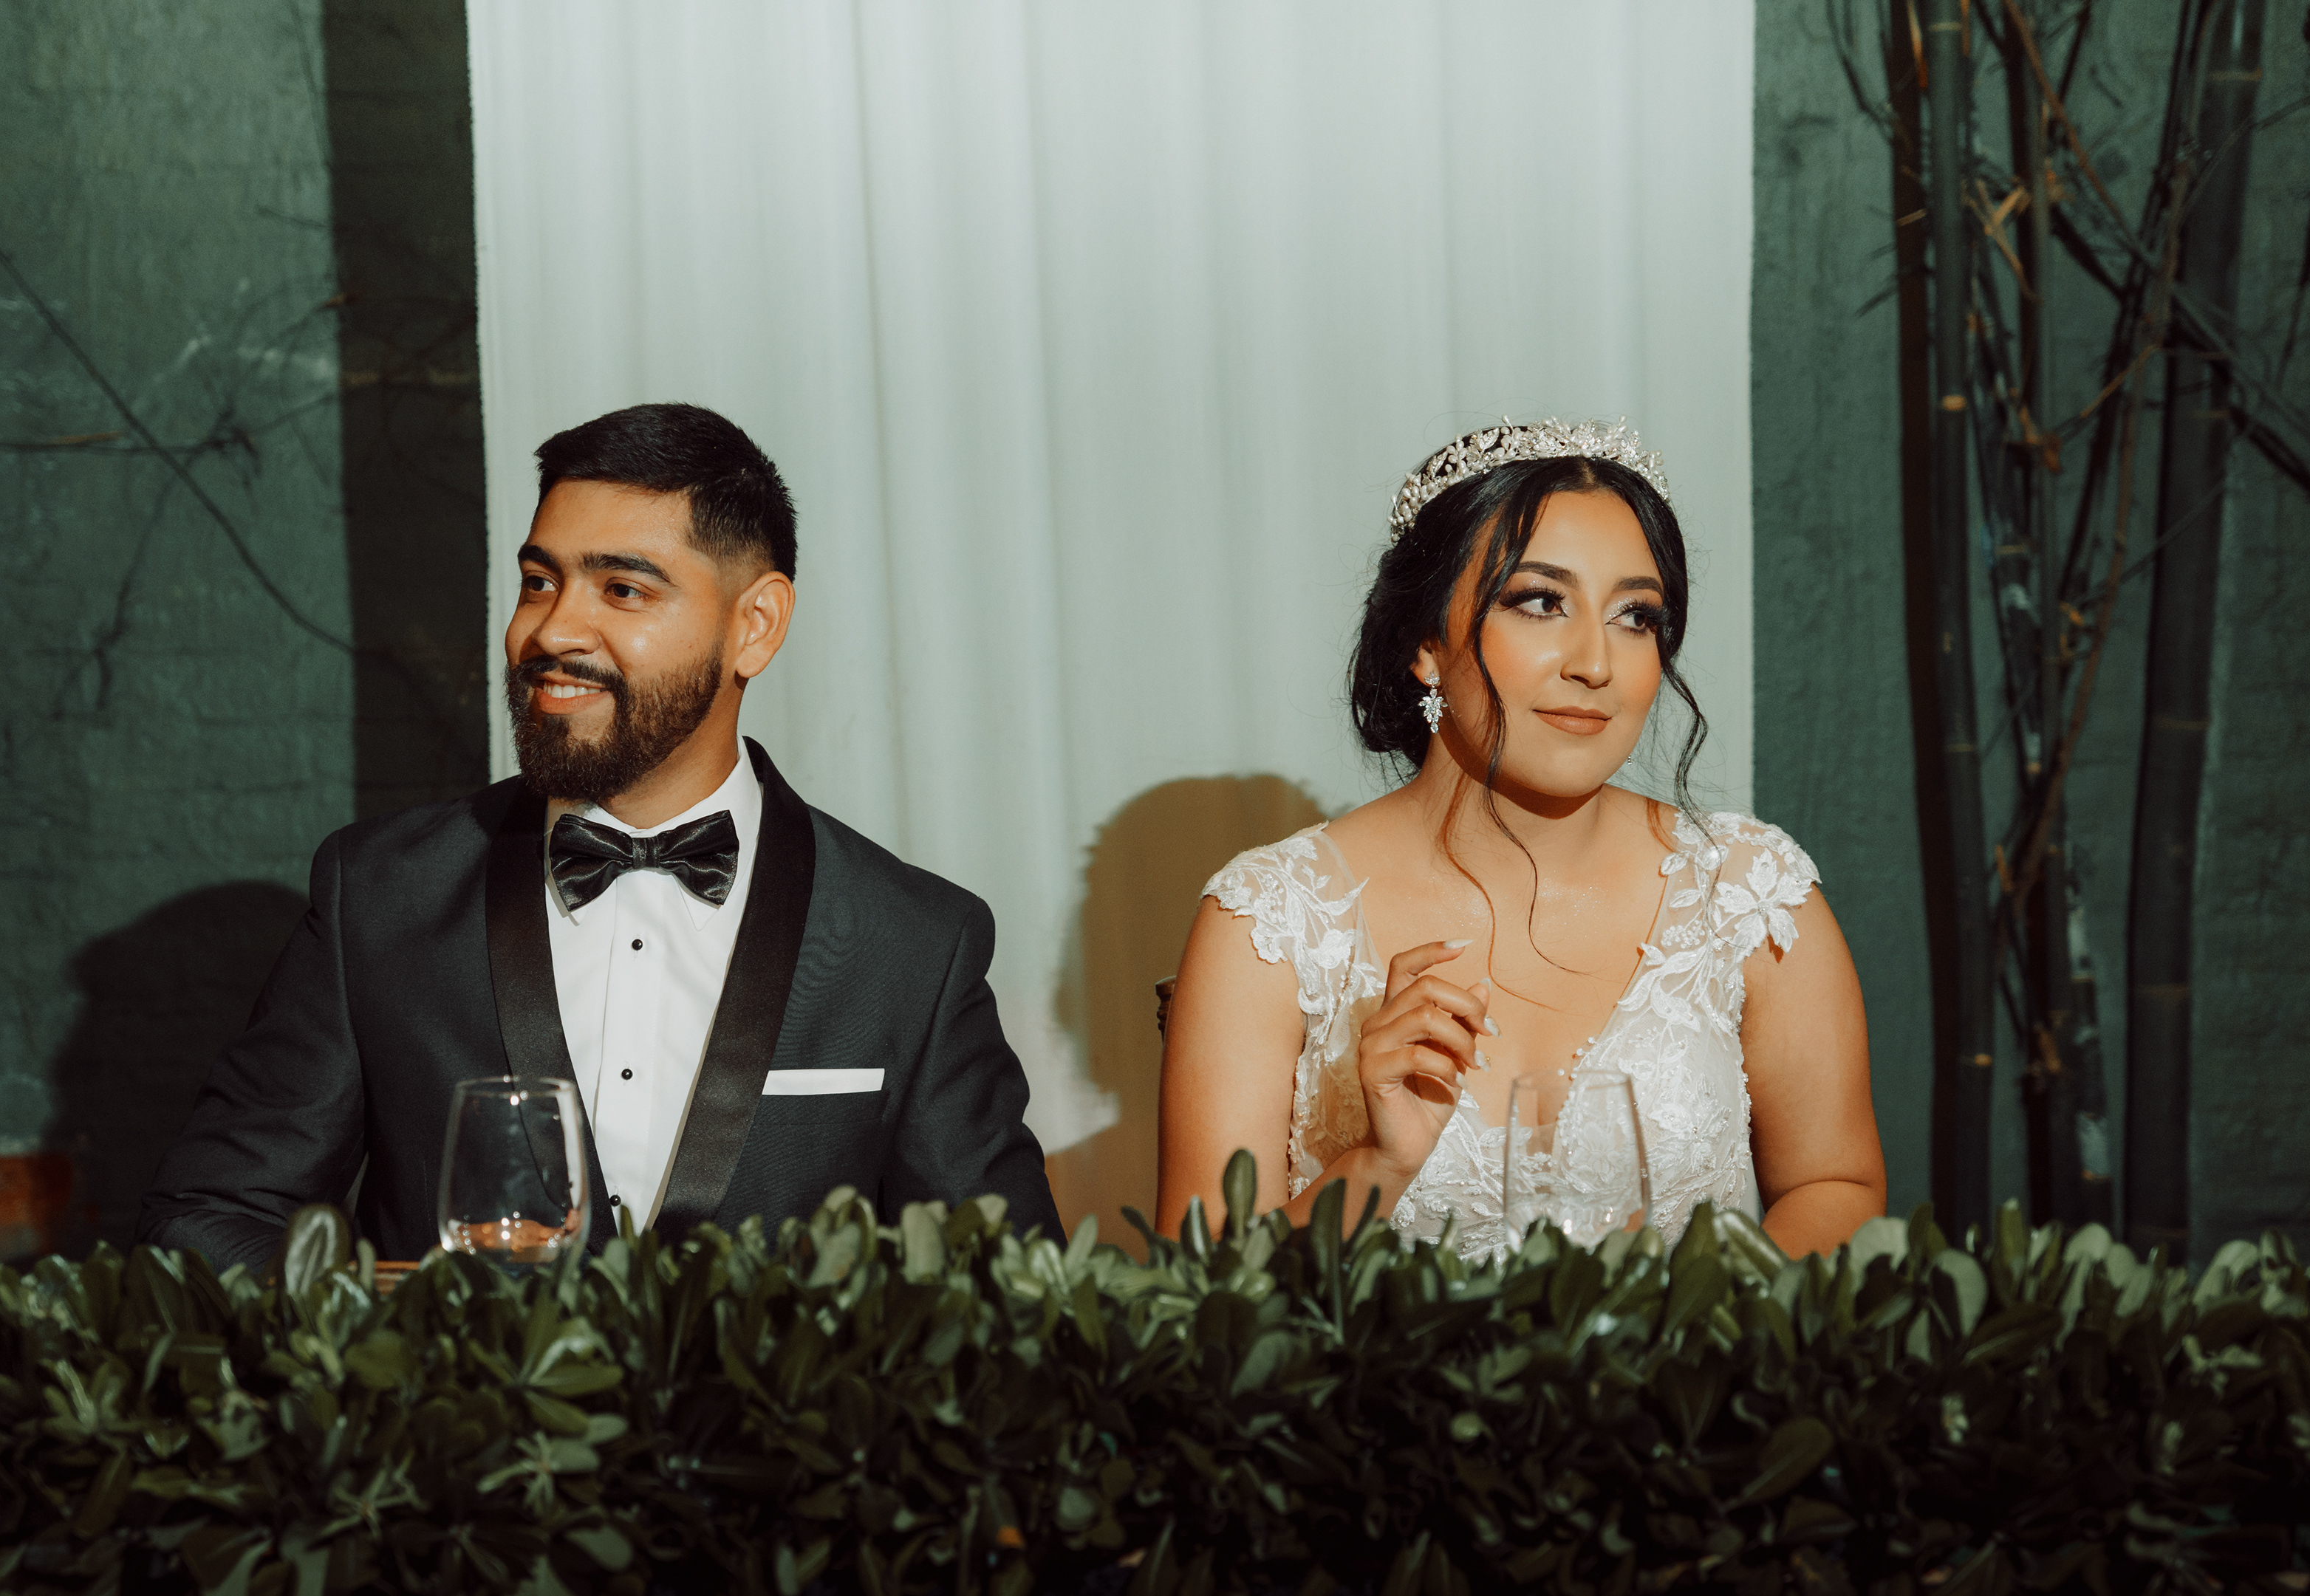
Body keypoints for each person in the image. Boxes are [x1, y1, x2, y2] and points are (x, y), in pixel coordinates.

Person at [140, 403, 1059, 1270]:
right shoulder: (379, 896)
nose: (552, 631)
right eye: (540, 582)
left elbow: (1008, 1289)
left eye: (622, 589)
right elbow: (208, 1219)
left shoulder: (913, 943)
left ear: (755, 625)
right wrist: (395, 1335)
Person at [1156, 421, 1884, 1259]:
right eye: (1540, 601)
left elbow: (1837, 1186)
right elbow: (1195, 1292)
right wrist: (1378, 1165)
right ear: (1424, 642)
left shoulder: (1749, 892)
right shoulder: (1269, 923)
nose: (1595, 663)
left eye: (1636, 616)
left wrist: (1693, 1321)